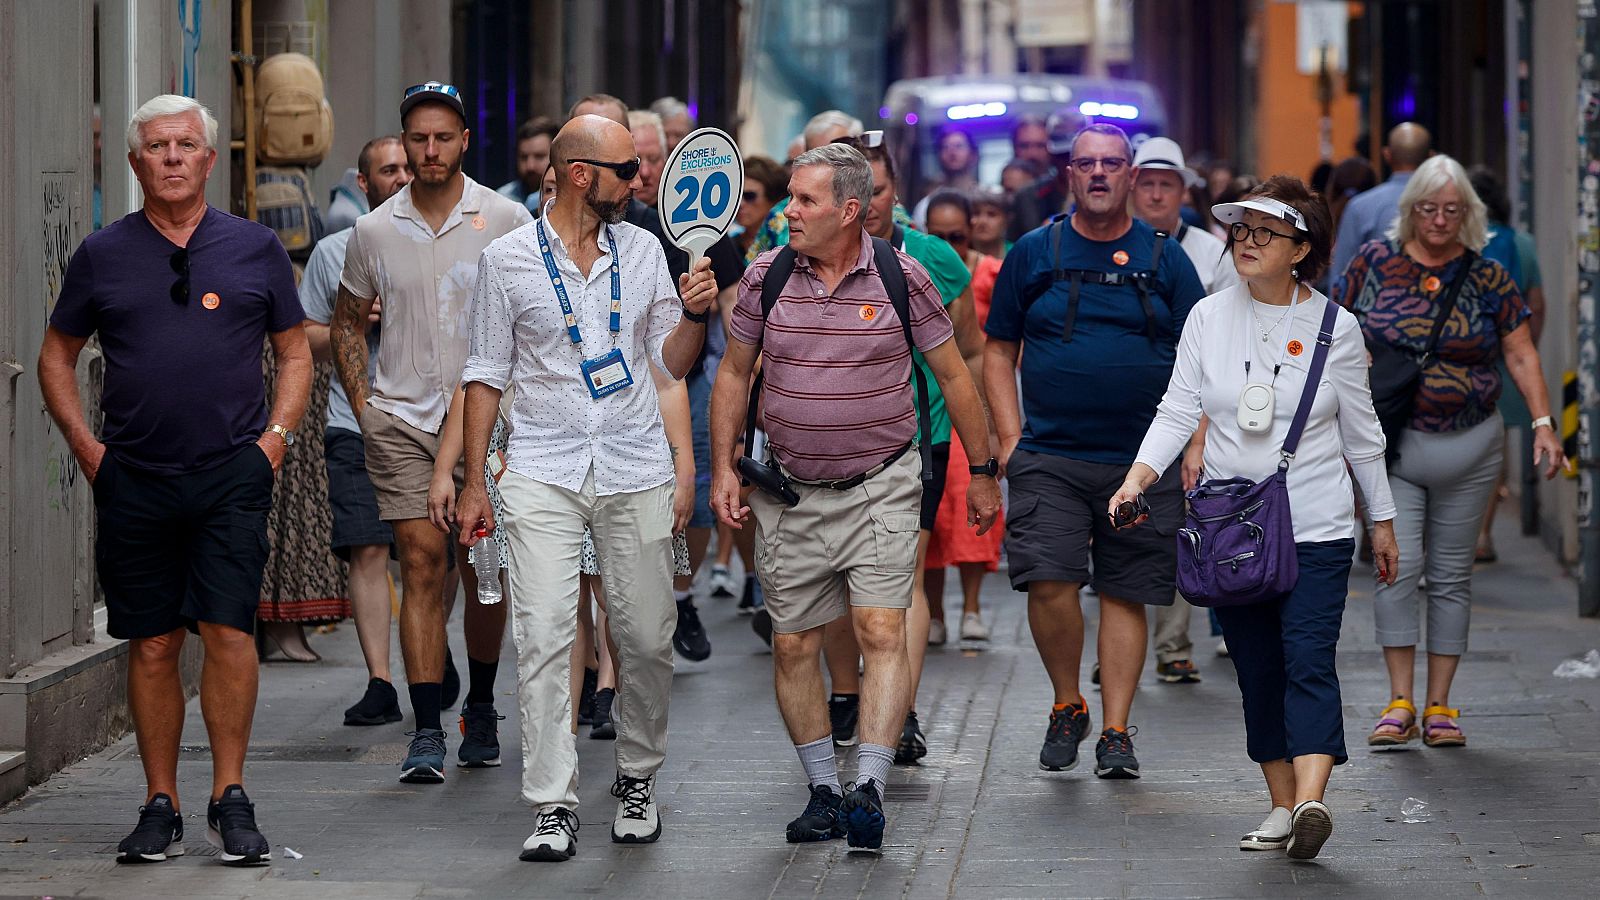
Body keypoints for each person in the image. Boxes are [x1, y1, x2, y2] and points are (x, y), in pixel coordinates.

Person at [40, 94, 310, 866]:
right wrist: (88, 449)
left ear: (208, 158)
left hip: (233, 471)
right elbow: (56, 354)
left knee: (228, 629)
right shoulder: (102, 252)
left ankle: (232, 796)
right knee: (152, 642)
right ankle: (161, 802)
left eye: (185, 145)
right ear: (134, 163)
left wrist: (276, 440)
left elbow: (294, 350)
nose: (170, 157)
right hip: (134, 474)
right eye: (156, 146)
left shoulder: (255, 247)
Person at [709, 142, 1000, 851]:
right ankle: (821, 791)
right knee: (792, 643)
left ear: (848, 211)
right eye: (789, 199)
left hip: (882, 482)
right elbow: (734, 376)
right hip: (790, 491)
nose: (788, 211)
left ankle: (867, 784)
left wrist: (985, 469)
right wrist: (722, 467)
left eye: (804, 201)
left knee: (879, 630)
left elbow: (956, 376)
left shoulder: (903, 279)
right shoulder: (765, 278)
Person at [454, 113, 720, 861]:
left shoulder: (644, 253)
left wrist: (696, 313)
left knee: (644, 638)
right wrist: (476, 481)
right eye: (627, 170)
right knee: (541, 636)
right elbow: (484, 374)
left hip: (634, 465)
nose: (639, 182)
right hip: (540, 468)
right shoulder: (506, 261)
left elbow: (671, 360)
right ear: (581, 175)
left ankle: (637, 777)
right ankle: (551, 803)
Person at [1112, 176, 1400, 860]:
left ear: (1302, 248)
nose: (1246, 242)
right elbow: (1180, 410)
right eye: (1241, 230)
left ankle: (1310, 800)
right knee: (1257, 666)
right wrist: (1138, 477)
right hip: (1228, 530)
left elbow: (1363, 435)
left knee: (1307, 659)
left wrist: (1382, 520)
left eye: (1265, 233)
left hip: (1318, 526)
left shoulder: (1338, 328)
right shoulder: (1208, 317)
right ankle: (1281, 802)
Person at [984, 123, 1206, 780]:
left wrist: (1191, 444)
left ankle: (1115, 731)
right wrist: (1009, 438)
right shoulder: (1034, 249)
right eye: (1088, 164)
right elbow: (998, 350)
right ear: (1071, 175)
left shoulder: (1167, 259)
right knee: (1048, 582)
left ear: (1133, 176)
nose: (1101, 174)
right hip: (1050, 454)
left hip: (1142, 462)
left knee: (1123, 591)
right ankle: (1067, 702)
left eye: (1114, 164)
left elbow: (1201, 358)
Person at [331, 82, 532, 783]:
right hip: (403, 419)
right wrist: (365, 408)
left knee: (483, 571)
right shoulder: (373, 229)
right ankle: (425, 731)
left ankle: (479, 704)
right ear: (403, 142)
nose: (431, 149)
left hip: (490, 419)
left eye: (443, 136)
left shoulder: (506, 218)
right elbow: (349, 322)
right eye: (418, 138)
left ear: (465, 141)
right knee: (419, 562)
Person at [1333, 154, 1565, 750]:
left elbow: (1520, 353)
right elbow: (1333, 326)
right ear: (1410, 211)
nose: (1438, 220)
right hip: (1395, 447)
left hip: (1472, 445)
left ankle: (1441, 705)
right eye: (1429, 208)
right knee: (1396, 567)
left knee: (1451, 577)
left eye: (1451, 210)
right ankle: (1398, 700)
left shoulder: (1488, 276)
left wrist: (1543, 421)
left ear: (1468, 216)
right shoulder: (1373, 263)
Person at [819, 132, 983, 764]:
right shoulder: (796, 255)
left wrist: (984, 450)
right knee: (833, 578)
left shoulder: (935, 259)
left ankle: (901, 711)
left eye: (879, 189)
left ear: (894, 192)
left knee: (901, 578)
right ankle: (845, 695)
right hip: (827, 447)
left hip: (920, 440)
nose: (868, 202)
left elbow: (967, 352)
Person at [302, 134, 413, 724]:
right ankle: (380, 681)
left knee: (430, 559)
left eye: (405, 168)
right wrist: (353, 318)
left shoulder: (436, 248)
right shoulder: (334, 252)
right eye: (387, 170)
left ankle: (432, 655)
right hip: (355, 422)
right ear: (364, 184)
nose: (400, 177)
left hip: (431, 425)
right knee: (367, 548)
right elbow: (306, 338)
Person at [1127, 135, 1238, 685]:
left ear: (1181, 190)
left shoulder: (1212, 252)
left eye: (1164, 184)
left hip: (1191, 408)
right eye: (1145, 183)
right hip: (1125, 408)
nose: (1153, 194)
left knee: (1179, 522)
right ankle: (1118, 648)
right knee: (1121, 526)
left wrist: (1203, 428)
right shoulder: (1108, 244)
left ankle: (1172, 645)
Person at [922, 190, 1005, 645]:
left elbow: (987, 349)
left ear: (971, 230)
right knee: (929, 519)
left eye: (958, 235)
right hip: (927, 405)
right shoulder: (914, 267)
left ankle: (971, 608)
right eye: (940, 236)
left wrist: (992, 426)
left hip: (973, 400)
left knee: (971, 509)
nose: (950, 246)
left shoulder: (991, 271)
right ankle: (934, 613)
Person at [1468, 165, 1546, 561]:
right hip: (1504, 362)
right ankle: (1483, 535)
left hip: (1463, 361)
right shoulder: (1523, 244)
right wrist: (1523, 353)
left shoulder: (1459, 241)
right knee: (1493, 451)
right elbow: (1535, 307)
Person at [1330, 122, 1431, 282]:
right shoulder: (1447, 206)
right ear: (1431, 157)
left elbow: (1341, 276)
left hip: (1373, 304)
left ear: (1387, 155)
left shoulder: (1360, 207)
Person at [1007, 109, 1084, 241]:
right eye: (1062, 155)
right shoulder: (1027, 197)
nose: (1069, 162)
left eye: (1074, 155)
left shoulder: (1099, 193)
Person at [911, 126, 979, 227]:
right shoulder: (925, 206)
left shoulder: (987, 200)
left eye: (959, 146)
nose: (952, 152)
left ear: (973, 155)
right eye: (945, 147)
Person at [497, 115, 559, 214]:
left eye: (539, 156)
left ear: (557, 156)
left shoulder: (568, 199)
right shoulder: (503, 198)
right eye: (524, 157)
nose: (530, 166)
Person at [970, 186, 1012, 258]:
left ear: (1006, 219)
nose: (982, 221)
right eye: (976, 213)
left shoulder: (1017, 252)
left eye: (991, 214)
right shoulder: (957, 255)